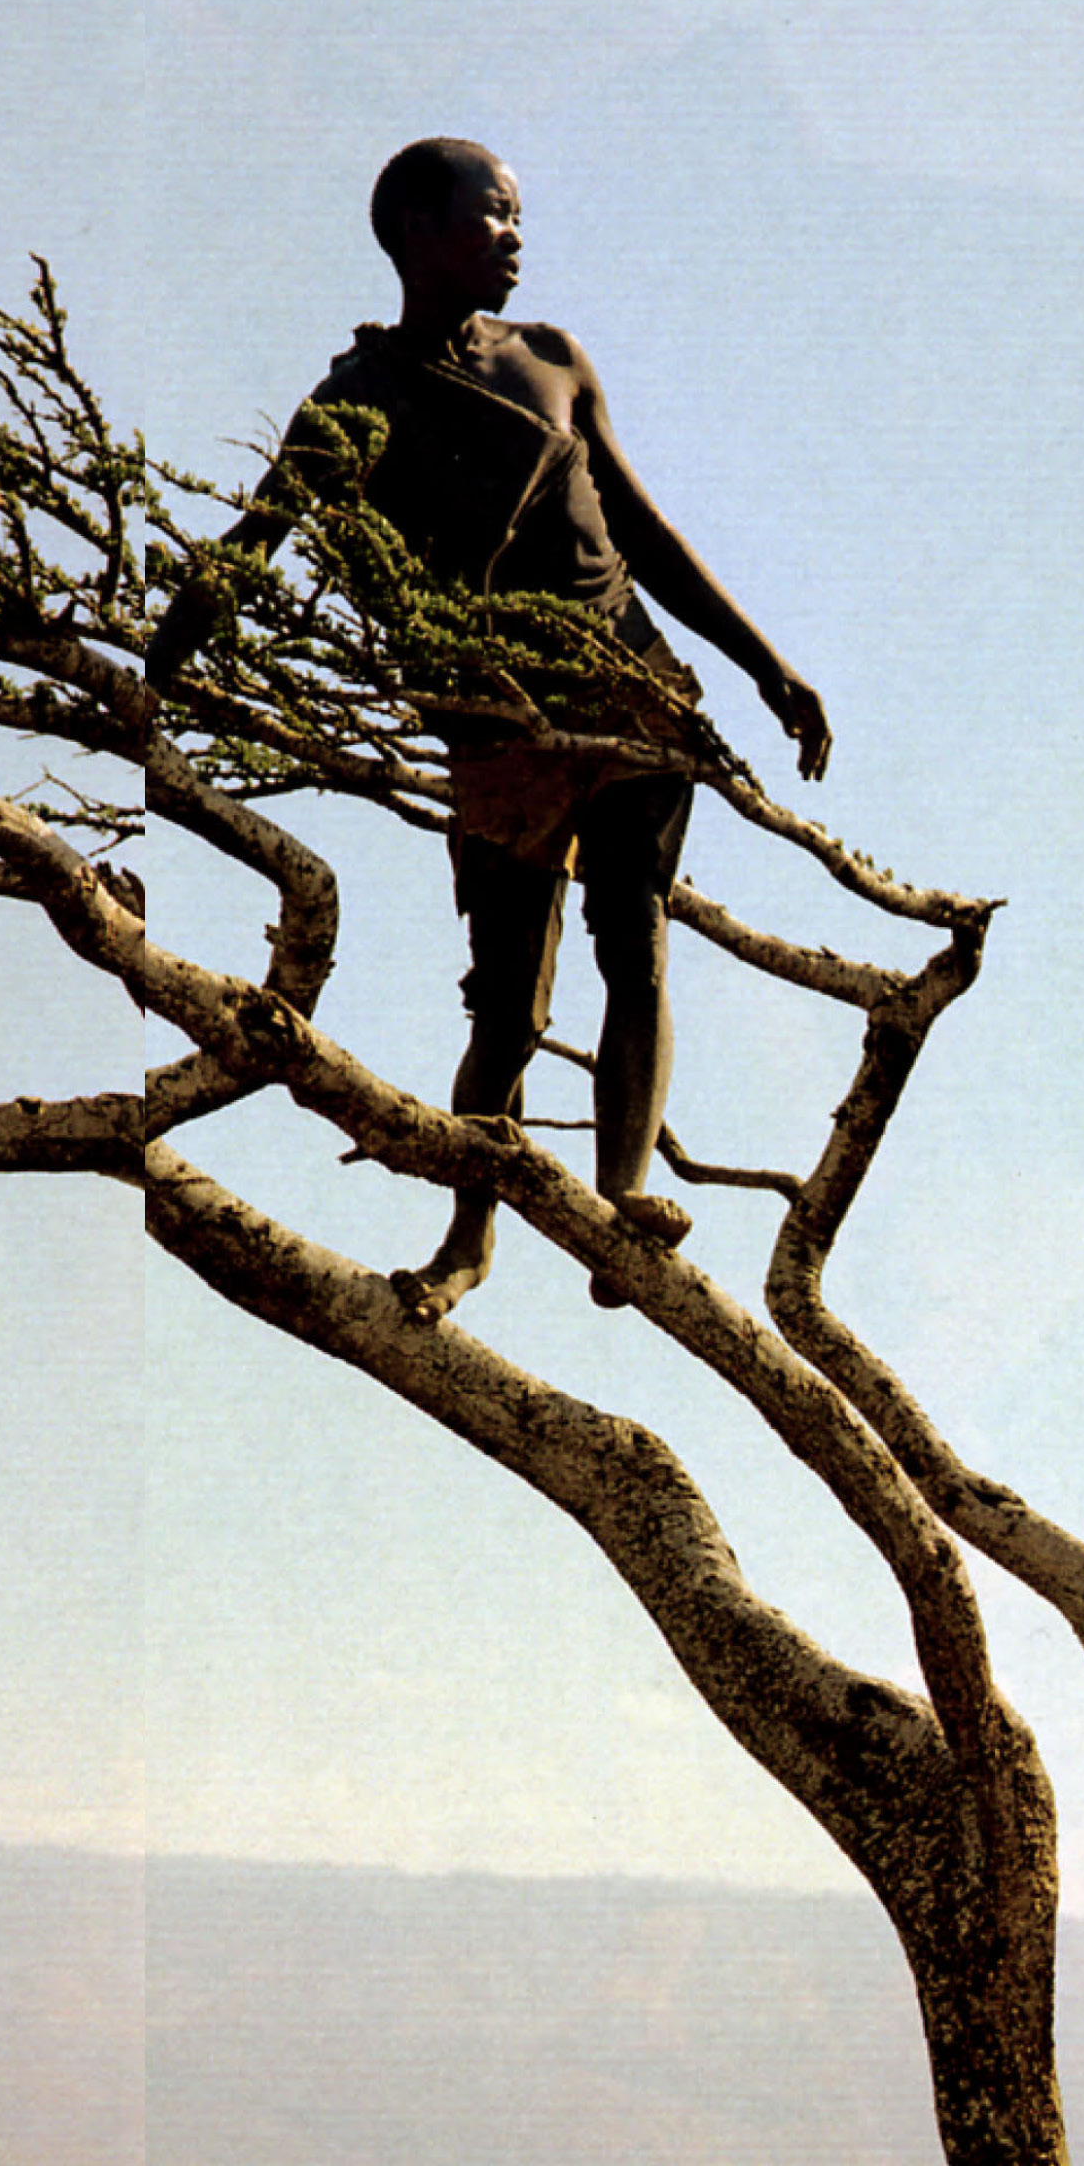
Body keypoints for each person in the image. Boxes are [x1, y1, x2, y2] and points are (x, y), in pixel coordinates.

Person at [153, 136, 831, 1315]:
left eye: (518, 220)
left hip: (625, 682)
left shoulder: (555, 361)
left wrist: (768, 670)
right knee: (508, 1001)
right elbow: (254, 544)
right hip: (498, 717)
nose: (514, 238)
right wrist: (153, 667)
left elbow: (647, 537)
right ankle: (471, 1237)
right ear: (417, 234)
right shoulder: (356, 402)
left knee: (639, 939)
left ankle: (621, 1210)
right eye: (492, 219)